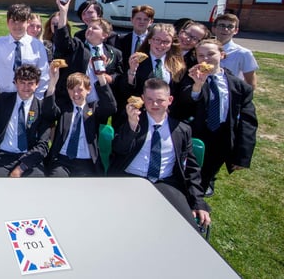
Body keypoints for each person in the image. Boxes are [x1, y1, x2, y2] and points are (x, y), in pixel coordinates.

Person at [109, 78, 211, 230]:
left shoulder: (181, 129)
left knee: (186, 226)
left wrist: (198, 202)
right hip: (131, 178)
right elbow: (118, 149)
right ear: (142, 99)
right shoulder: (131, 119)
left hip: (165, 181)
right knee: (120, 222)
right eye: (149, 99)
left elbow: (191, 169)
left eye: (160, 100)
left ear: (170, 100)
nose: (154, 104)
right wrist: (131, 126)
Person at [182, 39, 258, 193]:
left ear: (222, 55)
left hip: (221, 135)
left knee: (208, 173)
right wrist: (197, 85)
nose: (205, 59)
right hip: (195, 133)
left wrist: (242, 155)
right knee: (187, 172)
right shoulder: (188, 78)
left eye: (211, 54)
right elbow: (183, 105)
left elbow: (248, 121)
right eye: (200, 55)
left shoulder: (239, 86)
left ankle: (201, 194)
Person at [0, 65, 52, 177]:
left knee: (37, 184)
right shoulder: (4, 99)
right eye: (22, 82)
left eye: (30, 83)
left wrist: (21, 168)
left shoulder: (42, 108)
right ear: (15, 83)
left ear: (37, 84)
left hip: (28, 157)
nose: (26, 87)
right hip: (1, 155)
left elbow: (43, 145)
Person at [53, 0, 123, 112]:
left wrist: (109, 77)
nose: (89, 30)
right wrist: (63, 12)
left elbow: (119, 75)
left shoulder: (114, 53)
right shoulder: (78, 47)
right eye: (88, 28)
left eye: (94, 28)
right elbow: (62, 40)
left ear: (105, 35)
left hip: (99, 103)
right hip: (74, 101)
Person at [43, 68, 117, 177]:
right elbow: (48, 111)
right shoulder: (64, 108)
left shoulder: (94, 109)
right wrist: (53, 82)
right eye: (71, 89)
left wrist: (101, 78)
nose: (75, 93)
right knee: (56, 185)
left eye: (80, 89)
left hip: (85, 161)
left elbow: (111, 107)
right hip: (62, 160)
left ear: (89, 89)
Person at [0, 3, 50, 99]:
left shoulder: (37, 46)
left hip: (28, 96)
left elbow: (44, 74)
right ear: (7, 22)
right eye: (13, 21)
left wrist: (37, 97)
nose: (17, 25)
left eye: (21, 21)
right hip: (2, 95)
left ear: (28, 22)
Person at [212, 13, 258, 89]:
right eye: (221, 25)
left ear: (236, 31)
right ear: (214, 29)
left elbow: (251, 83)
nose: (225, 29)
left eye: (230, 27)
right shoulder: (204, 49)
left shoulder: (243, 53)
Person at [115, 5, 155, 69]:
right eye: (138, 19)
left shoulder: (154, 41)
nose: (142, 22)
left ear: (151, 22)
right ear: (132, 20)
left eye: (146, 19)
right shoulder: (121, 39)